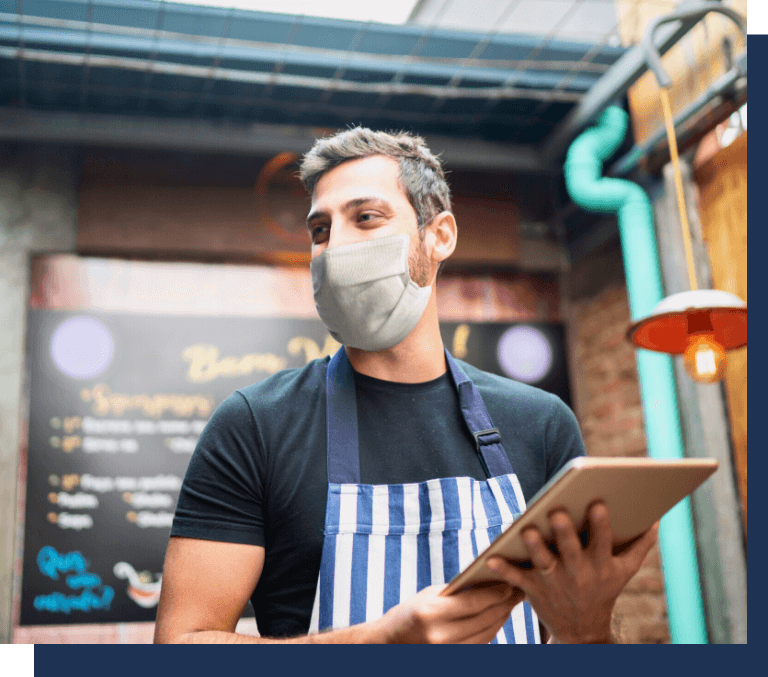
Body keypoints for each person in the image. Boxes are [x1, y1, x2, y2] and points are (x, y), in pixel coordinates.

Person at [154, 127, 658, 644]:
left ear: (439, 236)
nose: (335, 248)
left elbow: (579, 636)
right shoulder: (255, 425)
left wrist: (588, 630)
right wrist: (378, 644)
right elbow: (180, 644)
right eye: (321, 231)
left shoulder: (541, 424)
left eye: (366, 218)